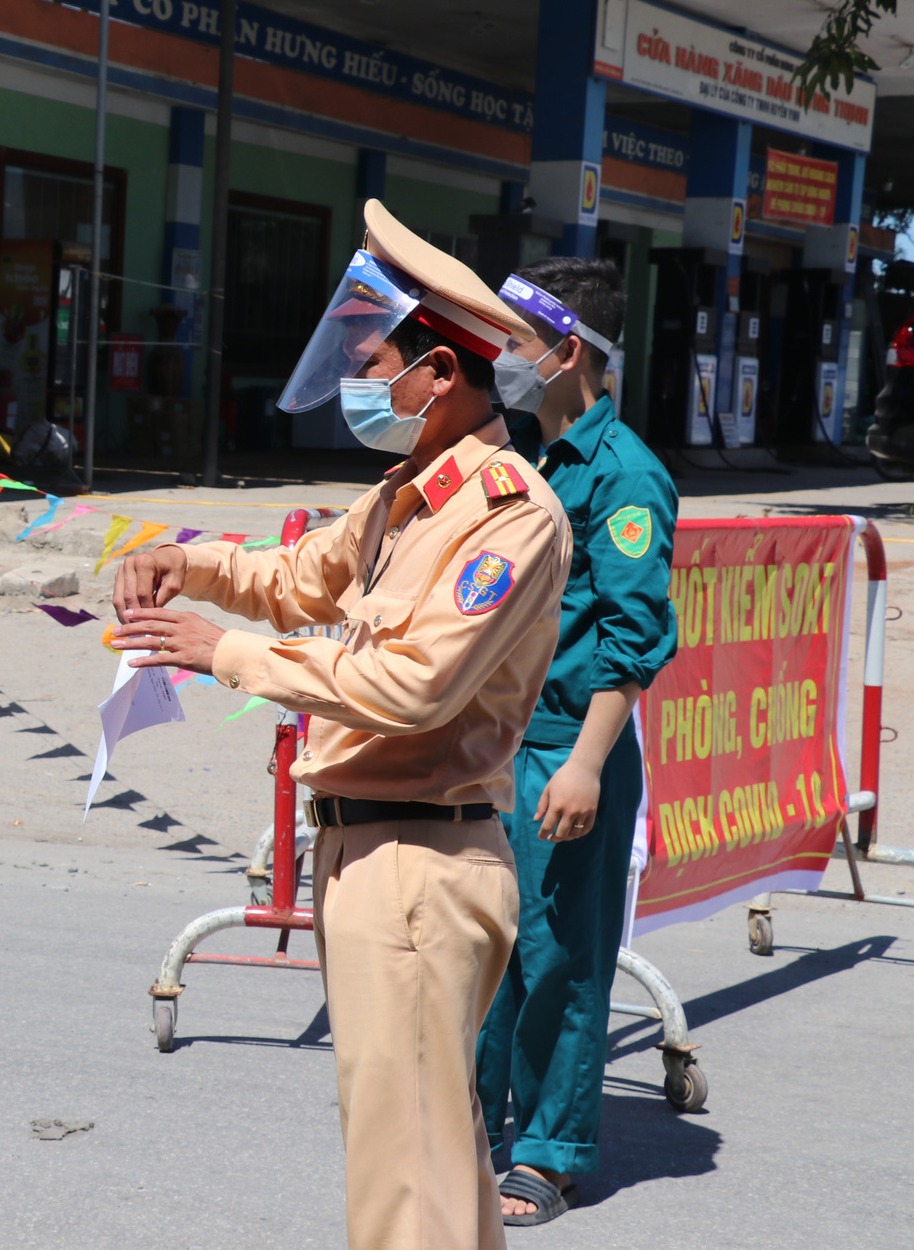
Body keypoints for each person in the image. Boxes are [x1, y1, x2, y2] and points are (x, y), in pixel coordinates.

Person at [112, 199, 572, 1250]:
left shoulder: (504, 512)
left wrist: (218, 651)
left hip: (420, 857)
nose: (363, 381)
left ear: (440, 375)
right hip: (370, 849)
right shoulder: (410, 491)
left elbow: (414, 686)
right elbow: (295, 575)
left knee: (402, 1189)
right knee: (433, 1170)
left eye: (378, 361)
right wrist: (185, 563)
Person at [475, 258, 678, 1226]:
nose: (500, 359)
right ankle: (474, 1122)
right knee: (491, 945)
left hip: (568, 740)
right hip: (502, 737)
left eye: (515, 342)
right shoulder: (525, 461)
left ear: (565, 353)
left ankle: (548, 1151)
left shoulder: (626, 474)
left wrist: (587, 761)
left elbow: (631, 641)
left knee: (561, 951)